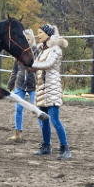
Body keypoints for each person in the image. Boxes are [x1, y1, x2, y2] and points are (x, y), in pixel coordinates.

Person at [30, 24, 72, 160]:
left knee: (55, 120)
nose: (38, 35)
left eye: (40, 32)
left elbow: (48, 64)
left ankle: (65, 148)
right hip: (42, 89)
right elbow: (36, 63)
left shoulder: (55, 49)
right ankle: (46, 146)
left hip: (52, 89)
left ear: (48, 34)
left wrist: (32, 65)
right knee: (44, 120)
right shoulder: (43, 49)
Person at [7, 29, 37, 142]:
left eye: (28, 39)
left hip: (33, 85)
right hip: (19, 84)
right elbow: (14, 71)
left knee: (38, 109)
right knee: (18, 108)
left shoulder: (36, 51)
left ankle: (45, 134)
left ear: (32, 39)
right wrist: (9, 87)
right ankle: (17, 133)